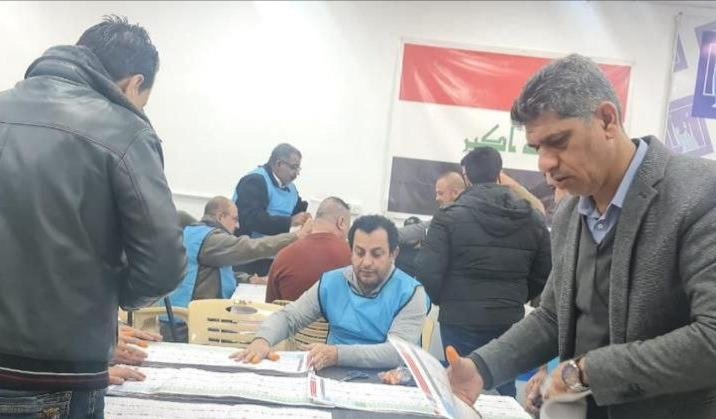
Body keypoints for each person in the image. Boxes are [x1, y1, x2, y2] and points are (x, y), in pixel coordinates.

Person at [447, 54, 716, 419]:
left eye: (558, 141)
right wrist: (481, 367)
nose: (544, 163)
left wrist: (585, 372)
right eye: (537, 148)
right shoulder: (570, 214)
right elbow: (553, 317)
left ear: (607, 120)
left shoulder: (699, 194)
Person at [0, 15, 186, 416]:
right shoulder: (124, 130)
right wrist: (106, 302)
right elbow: (163, 267)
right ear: (134, 83)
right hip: (53, 375)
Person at [417, 146, 551, 398]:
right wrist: (515, 297)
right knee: (504, 389)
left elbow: (428, 270)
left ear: (466, 176)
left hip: (458, 318)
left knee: (458, 390)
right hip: (508, 317)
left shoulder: (447, 217)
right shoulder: (532, 218)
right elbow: (543, 272)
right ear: (499, 173)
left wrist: (447, 300)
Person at [233, 215, 430, 370]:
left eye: (377, 254)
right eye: (359, 252)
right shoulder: (332, 282)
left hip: (388, 382)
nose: (366, 262)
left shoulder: (411, 293)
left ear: (393, 254)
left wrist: (337, 354)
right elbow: (289, 316)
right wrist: (262, 340)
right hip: (332, 377)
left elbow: (397, 353)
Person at [166, 196, 312, 333]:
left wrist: (250, 279)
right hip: (185, 324)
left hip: (186, 318)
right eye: (235, 219)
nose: (238, 225)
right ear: (220, 217)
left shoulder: (196, 233)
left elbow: (215, 275)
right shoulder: (210, 240)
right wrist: (295, 237)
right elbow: (250, 248)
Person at [233, 143, 311, 276]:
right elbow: (252, 219)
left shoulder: (291, 188)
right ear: (279, 164)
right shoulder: (254, 180)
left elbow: (297, 211)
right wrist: (290, 222)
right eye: (293, 167)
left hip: (275, 254)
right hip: (250, 257)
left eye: (298, 168)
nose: (297, 174)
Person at [265, 197, 352, 302]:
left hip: (292, 313)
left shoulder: (283, 257)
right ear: (341, 222)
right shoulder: (353, 258)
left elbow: (270, 307)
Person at [398, 171, 466, 245]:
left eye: (440, 193)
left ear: (455, 193)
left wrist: (390, 234)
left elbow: (420, 230)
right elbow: (421, 230)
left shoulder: (452, 219)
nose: (437, 198)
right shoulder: (444, 218)